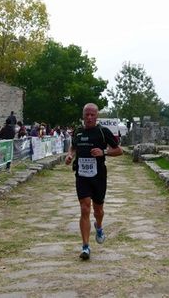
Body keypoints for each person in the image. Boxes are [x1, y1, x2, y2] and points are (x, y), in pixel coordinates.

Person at [65, 103, 123, 260]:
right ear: (83, 116)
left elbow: (119, 150)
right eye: (86, 115)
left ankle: (99, 226)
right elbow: (73, 147)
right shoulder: (78, 132)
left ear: (97, 116)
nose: (89, 117)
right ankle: (85, 246)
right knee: (85, 209)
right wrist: (70, 155)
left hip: (98, 177)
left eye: (92, 115)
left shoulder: (103, 132)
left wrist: (103, 152)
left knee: (98, 211)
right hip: (82, 176)